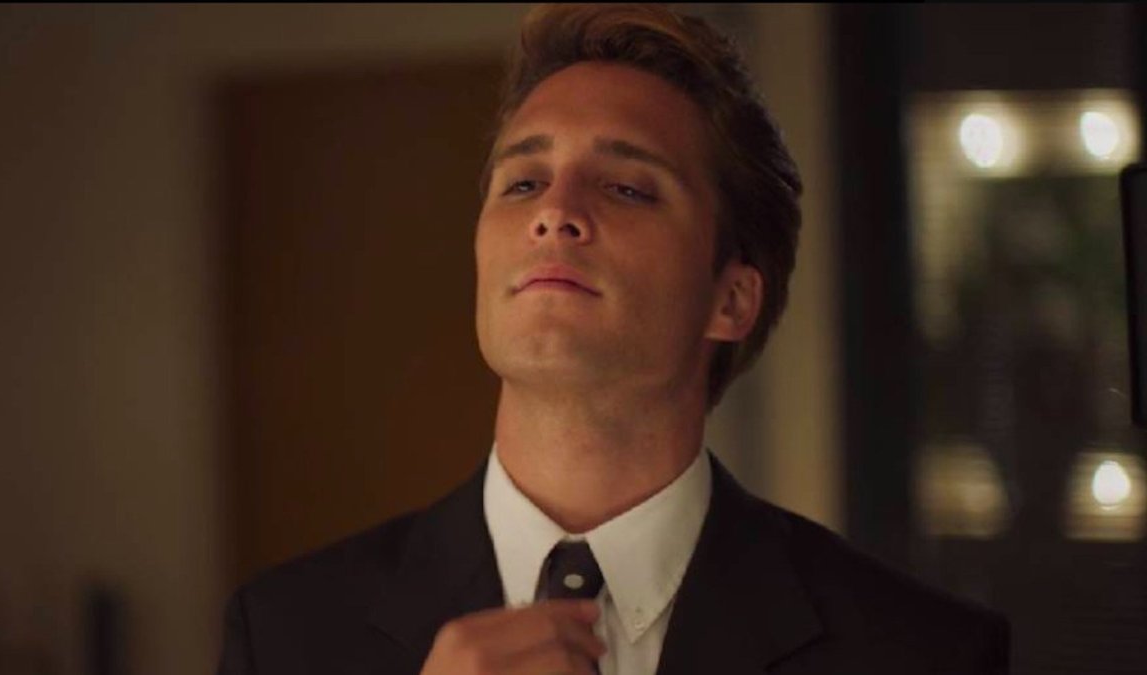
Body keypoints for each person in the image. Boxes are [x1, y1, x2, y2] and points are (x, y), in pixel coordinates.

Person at [216, 4, 1010, 674]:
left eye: (627, 187)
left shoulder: (922, 652)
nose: (553, 211)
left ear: (731, 298)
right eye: (524, 181)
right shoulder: (285, 635)